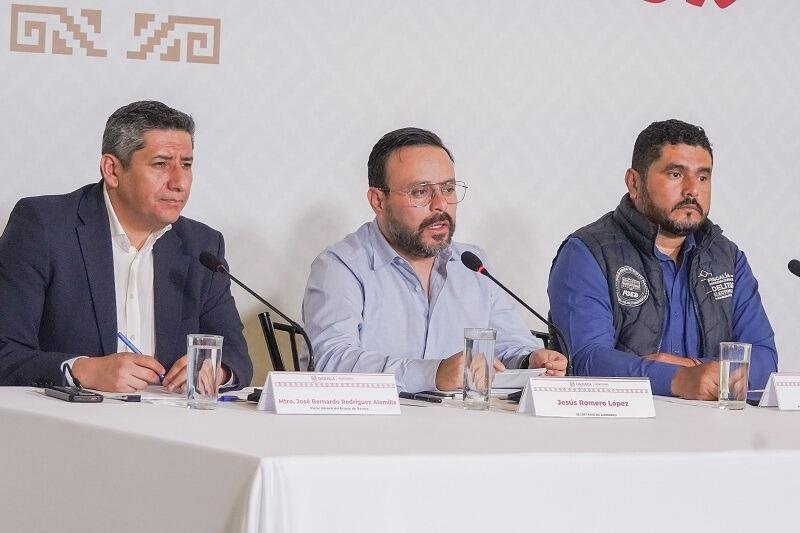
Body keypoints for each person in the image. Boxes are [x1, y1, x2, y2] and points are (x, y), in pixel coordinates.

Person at [0, 100, 252, 392]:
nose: (179, 182)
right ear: (112, 170)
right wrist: (83, 370)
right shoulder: (45, 227)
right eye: (161, 164)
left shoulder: (201, 246)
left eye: (186, 165)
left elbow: (235, 355)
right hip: (69, 416)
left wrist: (217, 370)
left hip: (167, 416)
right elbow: (6, 351)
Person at [302, 127, 566, 392]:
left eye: (448, 189)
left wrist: (530, 360)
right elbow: (330, 360)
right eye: (420, 192)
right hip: (379, 418)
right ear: (378, 201)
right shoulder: (340, 266)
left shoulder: (472, 264)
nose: (440, 204)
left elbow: (510, 345)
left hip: (459, 418)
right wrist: (433, 373)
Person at [548, 119, 777, 400]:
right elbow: (585, 360)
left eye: (703, 177)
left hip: (714, 424)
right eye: (676, 174)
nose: (692, 190)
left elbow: (765, 361)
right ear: (634, 182)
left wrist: (694, 368)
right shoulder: (587, 253)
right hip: (621, 423)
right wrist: (677, 380)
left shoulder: (727, 258)